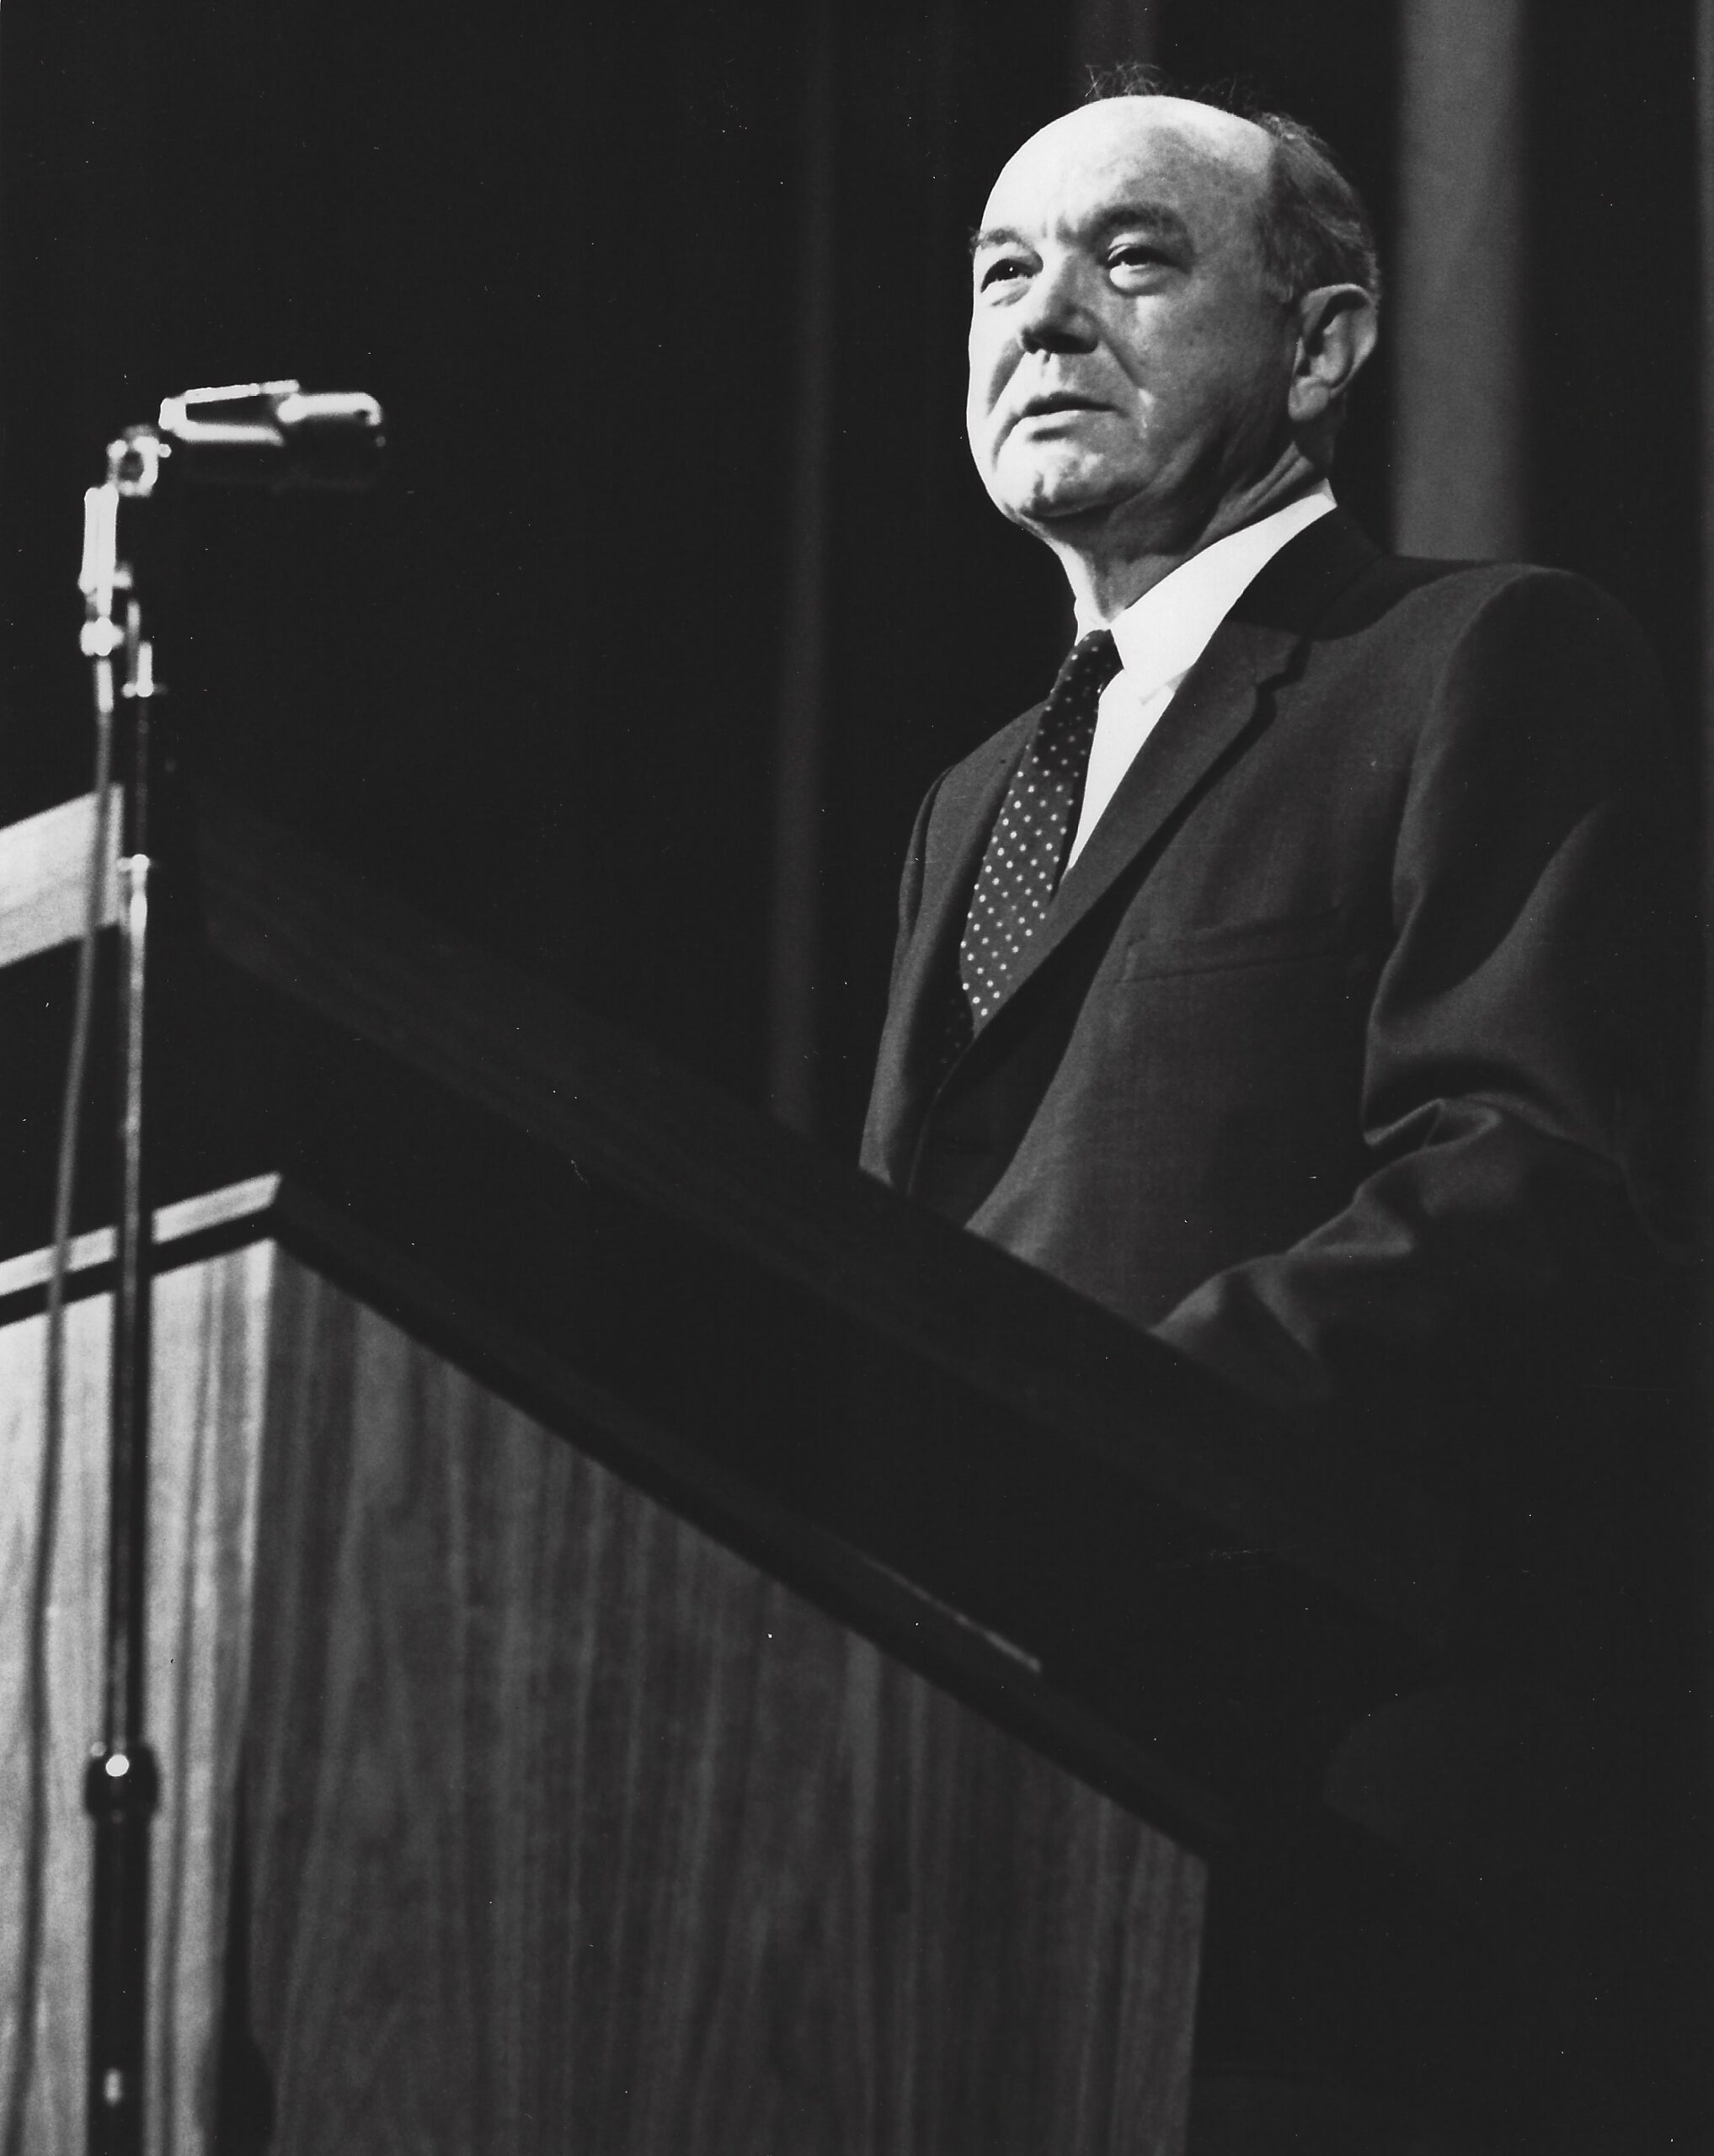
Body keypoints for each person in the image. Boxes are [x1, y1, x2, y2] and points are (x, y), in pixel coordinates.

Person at [861, 88, 1701, 2154]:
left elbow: (1524, 1187)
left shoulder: (1476, 659)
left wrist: (1078, 1450)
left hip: (1315, 1851)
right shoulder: (966, 805)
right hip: (967, 1824)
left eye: (1130, 258)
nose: (1043, 317)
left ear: (1320, 345)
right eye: (999, 272)